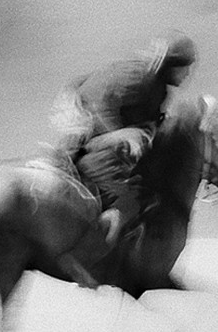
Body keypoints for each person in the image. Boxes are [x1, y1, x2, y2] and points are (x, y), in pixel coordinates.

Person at [50, 30, 197, 245]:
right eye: (185, 67)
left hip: (101, 131)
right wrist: (119, 135)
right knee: (129, 196)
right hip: (84, 119)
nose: (188, 74)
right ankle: (93, 248)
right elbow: (100, 105)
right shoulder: (138, 77)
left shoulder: (159, 90)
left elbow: (148, 124)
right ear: (171, 64)